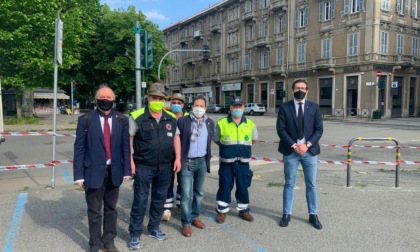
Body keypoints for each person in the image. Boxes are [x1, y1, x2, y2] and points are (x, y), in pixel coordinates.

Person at [73, 85, 131, 252]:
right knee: (94, 211)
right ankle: (94, 244)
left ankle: (108, 241)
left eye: (109, 98)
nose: (105, 100)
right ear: (96, 99)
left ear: (114, 100)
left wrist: (127, 170)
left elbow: (126, 147)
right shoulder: (85, 119)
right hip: (92, 172)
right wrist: (78, 175)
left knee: (111, 209)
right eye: (102, 97)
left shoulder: (122, 120)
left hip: (115, 172)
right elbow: (79, 149)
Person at [128, 83, 181, 250]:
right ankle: (135, 234)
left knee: (159, 199)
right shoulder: (136, 116)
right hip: (143, 165)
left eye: (160, 98)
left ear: (164, 100)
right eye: (154, 98)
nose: (157, 100)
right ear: (148, 98)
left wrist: (178, 158)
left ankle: (153, 228)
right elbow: (128, 140)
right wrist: (130, 161)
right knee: (140, 200)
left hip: (165, 166)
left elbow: (176, 139)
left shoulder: (170, 117)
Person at [276, 79, 324, 230]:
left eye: (303, 88)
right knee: (289, 183)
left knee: (311, 184)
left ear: (307, 91)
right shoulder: (285, 107)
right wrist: (294, 145)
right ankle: (286, 214)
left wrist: (306, 145)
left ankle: (313, 215)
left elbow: (319, 129)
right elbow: (281, 129)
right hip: (291, 151)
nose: (300, 90)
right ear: (292, 90)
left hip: (309, 151)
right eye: (297, 88)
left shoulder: (314, 107)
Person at [213, 97, 258, 224]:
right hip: (227, 161)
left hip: (243, 162)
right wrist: (228, 149)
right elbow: (216, 139)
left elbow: (253, 140)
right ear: (230, 108)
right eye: (235, 107)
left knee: (243, 186)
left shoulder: (250, 123)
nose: (237, 109)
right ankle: (222, 211)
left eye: (239, 107)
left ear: (243, 108)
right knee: (225, 185)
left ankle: (244, 210)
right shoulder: (221, 123)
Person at [178, 96, 215, 237]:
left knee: (199, 193)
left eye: (202, 105)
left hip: (201, 162)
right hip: (187, 161)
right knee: (186, 195)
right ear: (192, 107)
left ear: (205, 108)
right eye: (196, 105)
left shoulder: (210, 122)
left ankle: (194, 217)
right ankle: (186, 223)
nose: (199, 108)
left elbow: (213, 140)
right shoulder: (183, 121)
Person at [162, 93, 189, 221]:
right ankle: (167, 208)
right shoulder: (166, 117)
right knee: (168, 181)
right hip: (168, 155)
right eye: (174, 103)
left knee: (183, 181)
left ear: (183, 105)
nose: (176, 105)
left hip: (184, 156)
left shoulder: (188, 118)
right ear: (170, 104)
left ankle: (180, 204)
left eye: (179, 103)